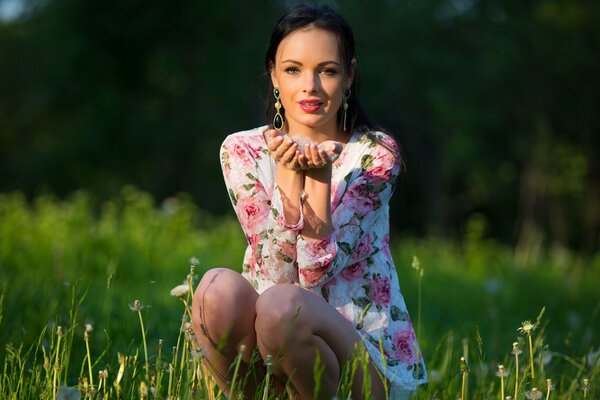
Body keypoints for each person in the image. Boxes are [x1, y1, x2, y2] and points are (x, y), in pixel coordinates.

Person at [191, 4, 426, 399]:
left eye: (328, 70)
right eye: (294, 69)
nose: (310, 86)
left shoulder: (373, 156)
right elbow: (276, 274)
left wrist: (318, 180)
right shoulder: (242, 149)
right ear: (273, 74)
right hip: (272, 343)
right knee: (215, 290)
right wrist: (286, 175)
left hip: (360, 358)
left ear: (349, 75)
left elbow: (312, 278)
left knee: (283, 310)